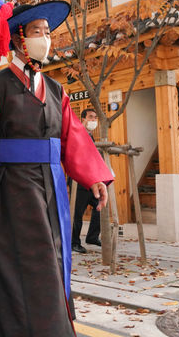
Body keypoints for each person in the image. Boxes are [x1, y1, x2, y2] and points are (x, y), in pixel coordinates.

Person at [0, 0, 114, 337]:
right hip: (12, 191)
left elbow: (73, 139)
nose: (46, 38)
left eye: (47, 31)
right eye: (37, 31)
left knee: (52, 263)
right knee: (23, 266)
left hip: (52, 189)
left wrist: (94, 177)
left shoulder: (57, 91)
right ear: (18, 38)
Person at [71, 108, 102, 254]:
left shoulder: (91, 136)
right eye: (90, 117)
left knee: (100, 206)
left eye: (95, 118)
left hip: (92, 181)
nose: (93, 120)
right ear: (83, 119)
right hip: (79, 180)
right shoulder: (78, 134)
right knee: (77, 213)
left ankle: (92, 237)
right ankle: (74, 243)